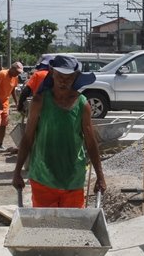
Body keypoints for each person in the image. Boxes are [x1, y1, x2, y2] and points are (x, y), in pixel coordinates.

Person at [12, 55, 105, 207]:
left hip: (73, 179)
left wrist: (100, 176)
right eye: (60, 76)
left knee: (72, 226)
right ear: (52, 72)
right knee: (45, 227)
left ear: (75, 77)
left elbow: (90, 142)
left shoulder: (82, 104)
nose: (63, 81)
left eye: (69, 78)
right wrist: (17, 172)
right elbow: (28, 138)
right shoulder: (39, 101)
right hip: (43, 177)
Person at [0, 61, 23, 152]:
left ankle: (1, 144)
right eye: (16, 71)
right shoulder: (2, 74)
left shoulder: (15, 77)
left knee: (4, 124)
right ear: (12, 68)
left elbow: (13, 90)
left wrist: (17, 102)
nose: (17, 74)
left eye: (19, 73)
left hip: (5, 102)